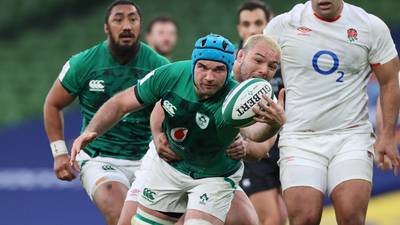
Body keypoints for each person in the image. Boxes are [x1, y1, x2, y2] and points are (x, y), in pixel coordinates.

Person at [69, 34, 285, 225]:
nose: (264, 71)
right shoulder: (174, 74)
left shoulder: (260, 100)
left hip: (214, 173)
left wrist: (255, 140)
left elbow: (259, 147)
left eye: (272, 66)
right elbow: (143, 106)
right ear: (239, 57)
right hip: (170, 164)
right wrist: (156, 135)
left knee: (242, 221)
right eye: (258, 60)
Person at [264, 0, 400, 225]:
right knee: (304, 218)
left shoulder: (369, 26)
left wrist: (386, 136)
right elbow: (256, 71)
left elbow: (389, 81)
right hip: (300, 137)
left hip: (351, 135)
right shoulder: (283, 25)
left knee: (351, 216)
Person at [43, 1, 169, 225]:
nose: (126, 26)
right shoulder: (84, 63)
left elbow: (174, 113)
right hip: (99, 158)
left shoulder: (159, 66)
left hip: (149, 160)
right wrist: (59, 152)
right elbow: (52, 104)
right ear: (106, 27)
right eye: (118, 19)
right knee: (122, 216)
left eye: (133, 19)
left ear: (141, 25)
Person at [237, 1, 287, 224]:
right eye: (246, 24)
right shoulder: (234, 64)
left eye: (258, 22)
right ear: (239, 29)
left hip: (284, 143)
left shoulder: (286, 57)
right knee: (271, 218)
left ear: (270, 23)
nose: (252, 29)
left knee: (285, 215)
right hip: (252, 146)